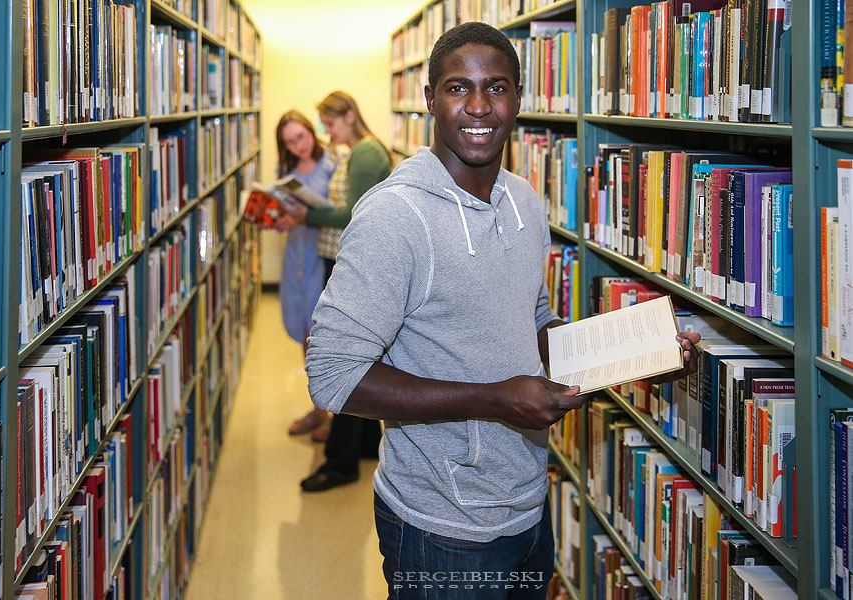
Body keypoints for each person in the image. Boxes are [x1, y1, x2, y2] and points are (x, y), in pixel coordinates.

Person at [304, 23, 701, 599]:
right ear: (430, 98)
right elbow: (332, 376)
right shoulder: (395, 217)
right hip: (439, 528)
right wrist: (493, 398)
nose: (479, 107)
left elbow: (531, 322)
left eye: (497, 87)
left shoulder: (524, 200)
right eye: (458, 88)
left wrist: (632, 352)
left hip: (527, 504)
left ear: (519, 97)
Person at [280, 91, 393, 490]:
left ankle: (340, 463)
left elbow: (354, 212)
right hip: (341, 259)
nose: (327, 132)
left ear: (349, 115)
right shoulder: (356, 150)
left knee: (344, 361)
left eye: (330, 124)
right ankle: (364, 443)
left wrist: (307, 215)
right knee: (359, 356)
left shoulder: (364, 152)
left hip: (351, 266)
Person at [270, 110, 336, 437]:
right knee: (305, 335)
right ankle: (319, 408)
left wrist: (304, 216)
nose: (298, 146)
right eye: (289, 142)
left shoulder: (333, 163)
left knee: (324, 334)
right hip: (295, 256)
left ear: (312, 131)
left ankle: (338, 414)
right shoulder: (285, 171)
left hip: (323, 257)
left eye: (301, 137)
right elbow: (281, 209)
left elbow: (339, 213)